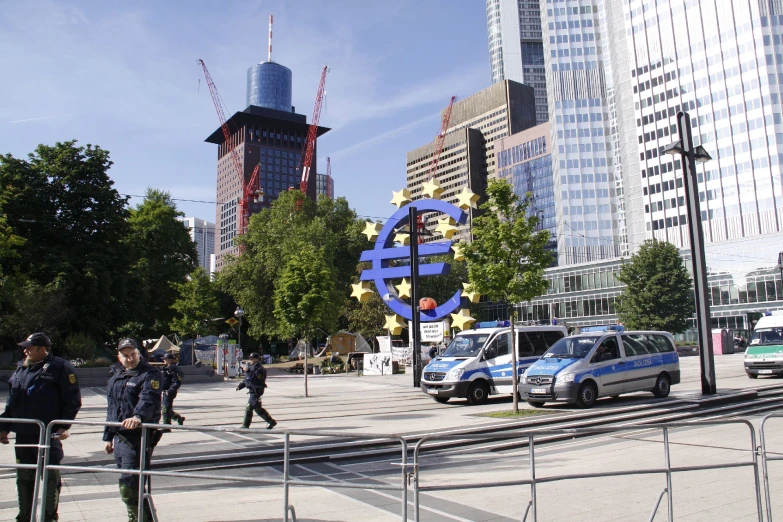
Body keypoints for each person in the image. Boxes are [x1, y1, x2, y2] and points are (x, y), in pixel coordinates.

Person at [0, 332, 82, 522]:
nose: (25, 350)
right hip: (24, 434)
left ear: (42, 349)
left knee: (50, 479)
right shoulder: (22, 368)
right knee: (24, 479)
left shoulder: (59, 367)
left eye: (29, 347)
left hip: (48, 434)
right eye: (25, 347)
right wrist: (4, 427)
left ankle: (48, 518)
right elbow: (12, 402)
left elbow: (72, 400)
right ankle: (25, 517)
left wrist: (63, 426)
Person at [103, 338, 162, 522]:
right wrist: (108, 436)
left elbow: (149, 398)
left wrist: (137, 417)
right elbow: (112, 408)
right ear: (119, 357)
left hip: (138, 437)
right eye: (125, 355)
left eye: (133, 354)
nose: (130, 359)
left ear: (139, 354)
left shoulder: (150, 374)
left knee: (129, 485)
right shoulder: (117, 376)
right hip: (120, 437)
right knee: (131, 485)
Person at [236, 352, 276, 429]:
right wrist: (241, 385)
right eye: (250, 358)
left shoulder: (260, 368)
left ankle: (246, 425)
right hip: (252, 390)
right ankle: (271, 421)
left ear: (257, 359)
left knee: (250, 407)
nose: (250, 360)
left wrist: (247, 371)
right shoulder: (252, 367)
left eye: (252, 358)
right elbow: (247, 379)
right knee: (255, 408)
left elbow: (256, 379)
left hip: (257, 390)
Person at [161, 353, 184, 426]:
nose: (164, 360)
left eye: (165, 359)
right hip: (165, 391)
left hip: (170, 391)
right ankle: (178, 418)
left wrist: (170, 390)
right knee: (167, 409)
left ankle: (167, 426)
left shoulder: (174, 369)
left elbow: (177, 381)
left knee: (165, 409)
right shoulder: (165, 368)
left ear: (170, 360)